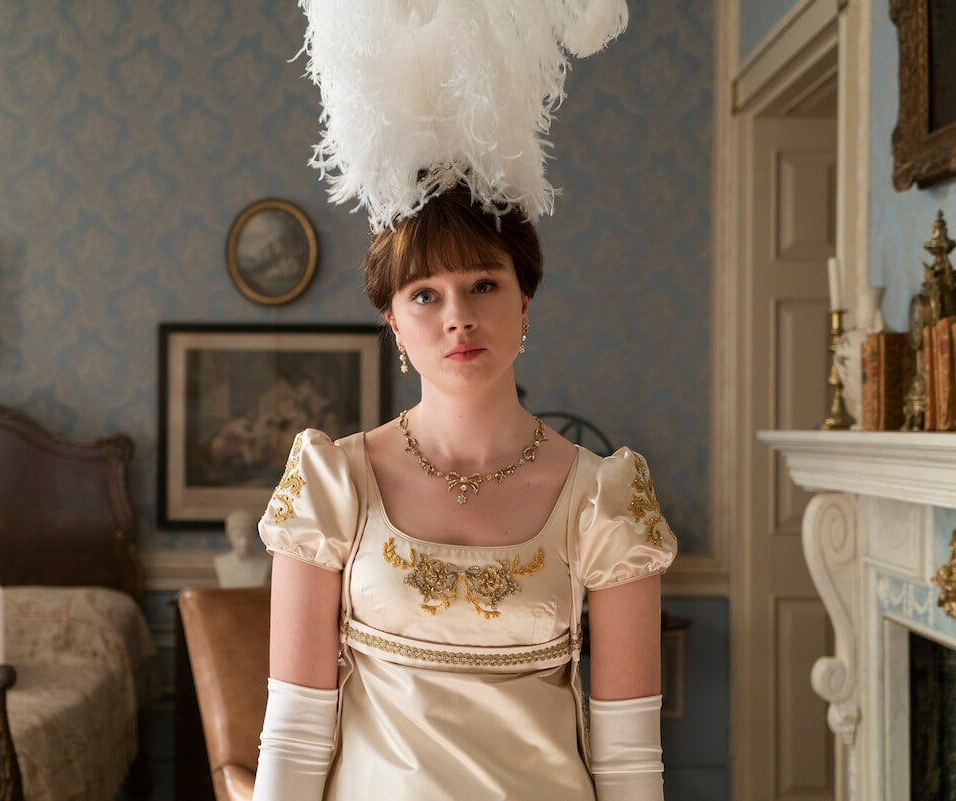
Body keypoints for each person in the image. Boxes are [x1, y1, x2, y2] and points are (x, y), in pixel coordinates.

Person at [251, 184, 677, 800]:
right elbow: (295, 733)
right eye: (425, 294)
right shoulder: (334, 482)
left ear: (523, 300)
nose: (458, 317)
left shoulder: (603, 496)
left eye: (483, 284)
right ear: (394, 322)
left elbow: (629, 755)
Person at [214, 508, 271, 588]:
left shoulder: (264, 563)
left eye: (248, 536)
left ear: (254, 536)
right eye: (238, 536)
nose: (244, 542)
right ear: (229, 536)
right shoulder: (221, 563)